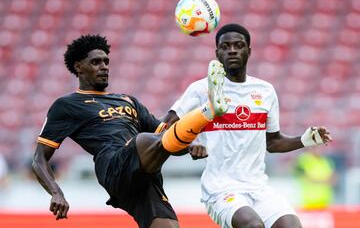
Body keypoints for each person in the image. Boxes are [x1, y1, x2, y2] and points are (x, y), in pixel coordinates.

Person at [32, 34, 229, 228]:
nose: (104, 67)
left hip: (144, 174)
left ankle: (206, 112)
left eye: (106, 62)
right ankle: (208, 111)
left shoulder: (127, 100)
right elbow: (39, 158)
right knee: (144, 140)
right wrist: (56, 192)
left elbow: (167, 140)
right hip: (113, 166)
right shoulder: (66, 105)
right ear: (78, 67)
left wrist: (190, 145)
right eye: (96, 62)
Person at [163, 23, 333, 228]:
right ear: (217, 52)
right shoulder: (200, 89)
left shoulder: (265, 91)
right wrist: (190, 144)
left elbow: (273, 142)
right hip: (221, 189)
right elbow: (165, 131)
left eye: (238, 45)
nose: (232, 50)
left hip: (258, 188)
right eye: (225, 47)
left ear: (249, 51)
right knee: (252, 226)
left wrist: (305, 140)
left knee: (291, 225)